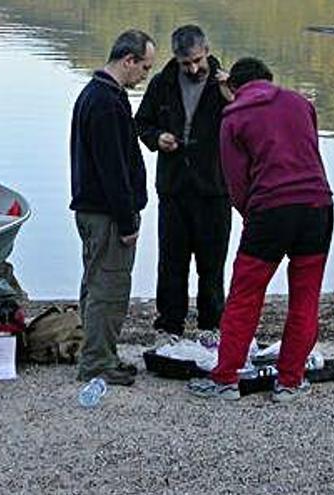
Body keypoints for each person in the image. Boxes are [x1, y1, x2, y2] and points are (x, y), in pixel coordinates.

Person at [187, 57, 334, 402]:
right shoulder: (300, 103)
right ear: (269, 79)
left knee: (245, 295)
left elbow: (236, 182)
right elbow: (310, 152)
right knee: (305, 295)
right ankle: (290, 382)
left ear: (234, 87)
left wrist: (249, 215)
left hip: (271, 210)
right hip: (318, 206)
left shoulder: (234, 116)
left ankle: (225, 380)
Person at [69, 29, 156, 386]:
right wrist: (127, 220)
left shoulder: (98, 94)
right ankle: (97, 363)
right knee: (110, 287)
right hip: (106, 214)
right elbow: (113, 168)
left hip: (92, 210)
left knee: (95, 282)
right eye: (144, 68)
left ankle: (96, 353)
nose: (145, 76)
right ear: (128, 60)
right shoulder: (105, 102)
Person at [135, 25, 232, 336]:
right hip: (174, 187)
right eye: (184, 62)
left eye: (197, 61)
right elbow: (142, 123)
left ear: (207, 51)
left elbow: (246, 126)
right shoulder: (163, 83)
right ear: (175, 57)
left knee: (212, 265)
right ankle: (170, 326)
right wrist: (156, 137)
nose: (192, 68)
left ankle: (211, 326)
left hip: (215, 188)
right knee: (171, 263)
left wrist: (232, 98)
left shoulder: (226, 84)